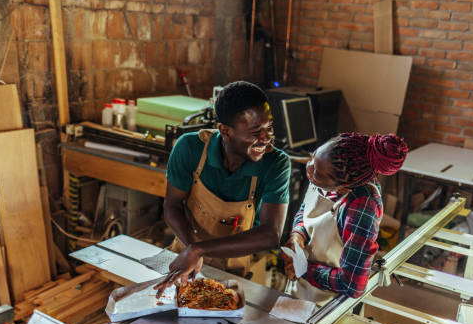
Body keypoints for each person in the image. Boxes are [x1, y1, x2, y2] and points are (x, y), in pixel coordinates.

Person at [155, 81, 291, 294]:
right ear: (225, 131)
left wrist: (199, 250)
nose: (265, 138)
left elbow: (271, 234)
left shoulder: (276, 164)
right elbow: (172, 205)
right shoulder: (190, 148)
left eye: (269, 128)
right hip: (184, 258)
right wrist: (191, 249)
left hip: (232, 270)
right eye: (256, 131)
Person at [282, 132, 408, 304]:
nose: (309, 168)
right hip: (300, 287)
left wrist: (303, 269)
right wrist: (297, 235)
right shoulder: (323, 169)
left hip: (327, 303)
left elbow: (352, 285)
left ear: (342, 188)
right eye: (312, 158)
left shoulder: (362, 207)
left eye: (317, 173)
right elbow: (305, 210)